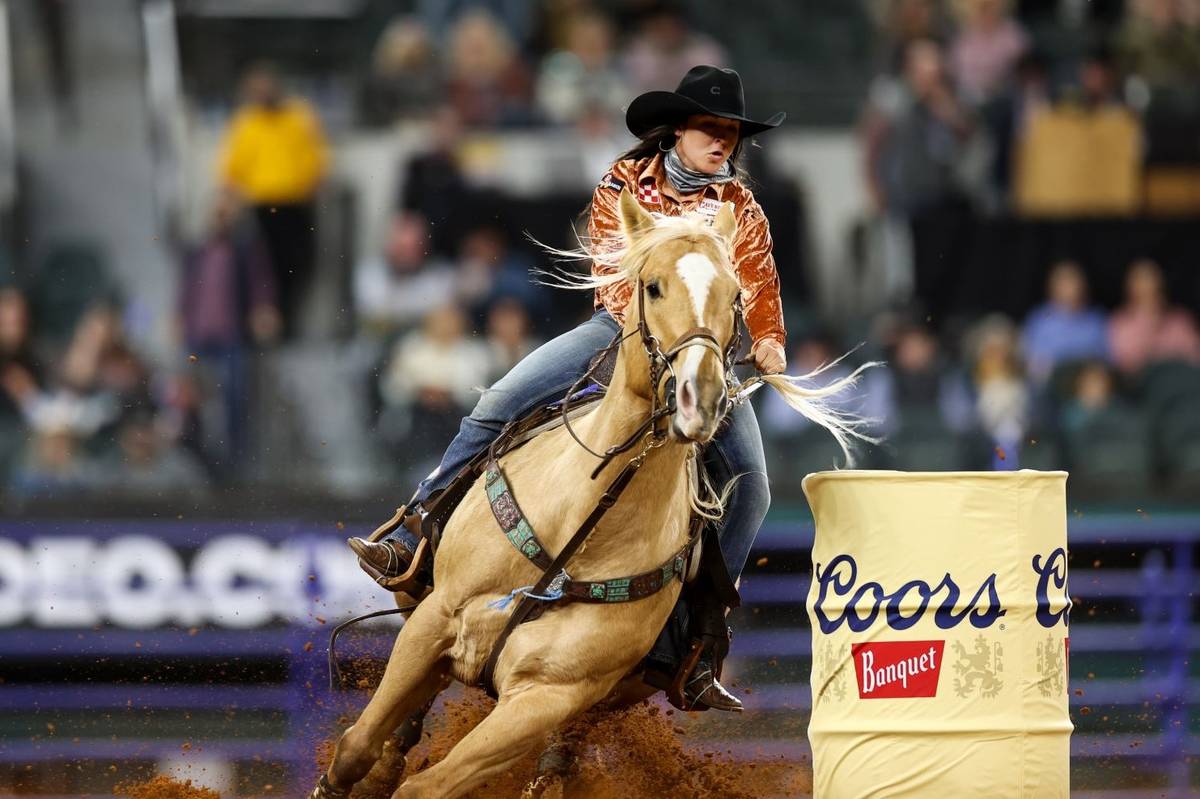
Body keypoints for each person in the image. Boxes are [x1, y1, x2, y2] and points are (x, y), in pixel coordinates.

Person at [349, 65, 788, 712]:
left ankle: (702, 638)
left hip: (701, 354)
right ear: (679, 130)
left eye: (729, 131)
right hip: (620, 331)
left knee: (752, 480)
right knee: (500, 400)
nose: (721, 141)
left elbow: (759, 282)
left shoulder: (741, 209)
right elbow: (612, 273)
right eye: (709, 127)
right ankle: (414, 531)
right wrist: (651, 341)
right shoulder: (625, 181)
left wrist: (771, 338)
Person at [218, 62, 328, 339]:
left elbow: (316, 158)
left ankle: (290, 325)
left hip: (296, 206)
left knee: (299, 267)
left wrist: (312, 187)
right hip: (262, 208)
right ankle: (263, 327)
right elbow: (232, 169)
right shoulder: (247, 123)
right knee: (263, 271)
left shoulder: (298, 116)